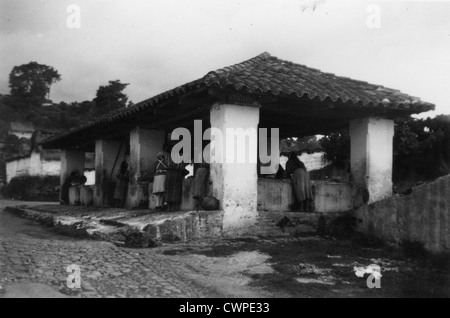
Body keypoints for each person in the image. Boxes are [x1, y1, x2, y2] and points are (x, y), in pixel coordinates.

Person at [164, 145, 188, 211]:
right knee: (176, 190)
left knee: (168, 190)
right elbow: (182, 167)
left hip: (168, 174)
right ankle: (174, 207)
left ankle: (169, 207)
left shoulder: (168, 156)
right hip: (176, 174)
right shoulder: (181, 157)